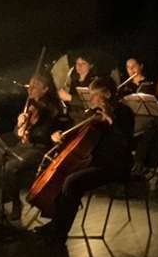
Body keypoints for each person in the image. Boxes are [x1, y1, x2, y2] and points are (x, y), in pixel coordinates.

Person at [35, 77, 135, 242]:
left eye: (95, 95)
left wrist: (111, 120)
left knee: (72, 182)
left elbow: (126, 143)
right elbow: (77, 135)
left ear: (107, 94)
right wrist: (60, 136)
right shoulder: (93, 114)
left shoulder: (124, 113)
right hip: (93, 161)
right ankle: (55, 223)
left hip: (116, 165)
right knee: (62, 174)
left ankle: (60, 232)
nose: (91, 99)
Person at [0, 74, 68, 222]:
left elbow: (45, 135)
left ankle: (16, 204)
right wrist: (20, 125)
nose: (30, 89)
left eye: (35, 86)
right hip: (22, 147)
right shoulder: (30, 105)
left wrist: (33, 124)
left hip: (39, 149)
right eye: (29, 85)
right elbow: (18, 134)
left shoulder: (52, 108)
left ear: (45, 89)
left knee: (10, 167)